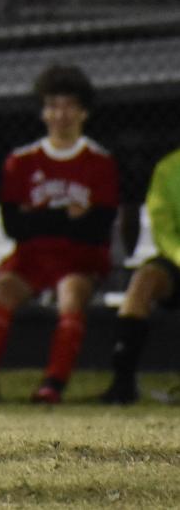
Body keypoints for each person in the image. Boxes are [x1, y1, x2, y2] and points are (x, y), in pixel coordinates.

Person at [0, 64, 120, 404]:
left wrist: (42, 216)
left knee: (71, 293)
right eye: (52, 106)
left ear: (84, 112)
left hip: (78, 258)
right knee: (3, 288)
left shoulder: (100, 162)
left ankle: (53, 383)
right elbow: (14, 226)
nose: (60, 114)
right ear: (43, 112)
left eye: (68, 106)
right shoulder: (22, 161)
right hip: (32, 257)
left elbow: (97, 229)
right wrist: (68, 216)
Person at [100, 146, 180, 404]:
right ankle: (122, 385)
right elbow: (162, 229)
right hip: (178, 258)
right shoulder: (169, 167)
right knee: (144, 280)